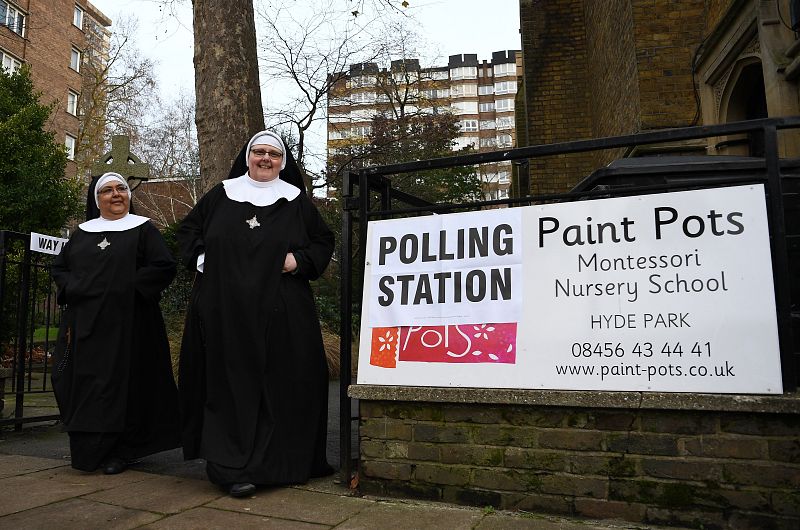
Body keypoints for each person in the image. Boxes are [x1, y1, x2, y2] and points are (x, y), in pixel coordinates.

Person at [177, 130, 335, 498]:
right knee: (230, 384)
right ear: (247, 157)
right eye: (259, 152)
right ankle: (232, 467)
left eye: (274, 154)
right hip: (225, 309)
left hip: (283, 309)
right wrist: (205, 261)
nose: (266, 159)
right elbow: (189, 231)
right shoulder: (221, 194)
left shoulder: (296, 201)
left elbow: (322, 241)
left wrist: (299, 260)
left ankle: (282, 464)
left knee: (282, 381)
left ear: (283, 161)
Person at [51, 172, 180, 474]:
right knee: (87, 386)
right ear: (97, 200)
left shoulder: (143, 230)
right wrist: (76, 288)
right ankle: (89, 450)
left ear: (129, 195)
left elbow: (163, 266)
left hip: (131, 324)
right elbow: (61, 269)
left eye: (121, 188)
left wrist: (127, 289)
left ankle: (122, 451)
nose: (116, 194)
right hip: (87, 325)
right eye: (107, 190)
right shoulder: (82, 233)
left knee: (127, 386)